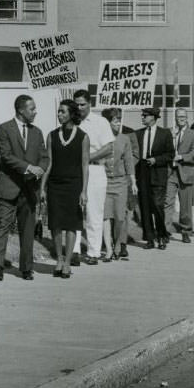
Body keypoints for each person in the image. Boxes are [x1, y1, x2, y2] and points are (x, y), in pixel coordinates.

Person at [0, 94, 49, 281]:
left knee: (28, 229)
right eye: (32, 109)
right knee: (3, 226)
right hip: (9, 186)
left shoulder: (37, 132)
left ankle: (26, 268)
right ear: (21, 110)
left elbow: (44, 157)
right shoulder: (4, 129)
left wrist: (40, 169)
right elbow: (6, 156)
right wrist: (29, 167)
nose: (35, 112)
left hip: (30, 188)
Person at [41, 100, 88, 279]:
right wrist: (42, 187)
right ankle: (59, 260)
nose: (59, 114)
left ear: (71, 114)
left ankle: (67, 262)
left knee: (71, 225)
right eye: (58, 111)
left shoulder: (83, 137)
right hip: (55, 185)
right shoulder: (52, 135)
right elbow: (49, 162)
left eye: (62, 112)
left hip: (74, 185)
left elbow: (85, 165)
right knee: (56, 224)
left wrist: (84, 191)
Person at [70, 90, 114, 265]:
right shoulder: (72, 122)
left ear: (90, 104)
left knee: (93, 212)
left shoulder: (100, 122)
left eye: (82, 104)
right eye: (76, 104)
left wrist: (87, 157)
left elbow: (108, 147)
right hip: (74, 171)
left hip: (94, 170)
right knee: (74, 211)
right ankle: (73, 251)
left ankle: (94, 252)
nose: (79, 108)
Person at [100, 108, 138, 260]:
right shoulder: (100, 138)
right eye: (115, 121)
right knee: (106, 216)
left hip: (121, 182)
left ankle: (117, 243)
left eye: (119, 120)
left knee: (120, 217)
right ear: (107, 123)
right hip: (105, 181)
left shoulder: (125, 139)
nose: (118, 123)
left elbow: (129, 162)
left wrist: (133, 182)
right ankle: (109, 248)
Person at [134, 107, 174, 249]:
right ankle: (150, 238)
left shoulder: (165, 133)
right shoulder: (138, 134)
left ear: (154, 117)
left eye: (145, 115)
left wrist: (156, 160)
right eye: (142, 115)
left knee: (157, 206)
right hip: (142, 172)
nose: (143, 117)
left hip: (158, 172)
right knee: (144, 207)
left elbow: (170, 154)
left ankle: (162, 236)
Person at [166, 108, 194, 243]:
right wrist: (171, 139)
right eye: (178, 116)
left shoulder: (193, 135)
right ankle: (166, 231)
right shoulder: (170, 132)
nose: (181, 118)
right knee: (167, 202)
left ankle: (185, 230)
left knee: (185, 204)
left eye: (183, 116)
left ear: (187, 118)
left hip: (186, 172)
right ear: (175, 117)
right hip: (171, 173)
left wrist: (181, 157)